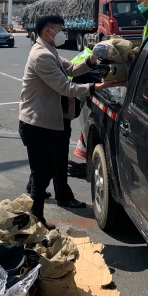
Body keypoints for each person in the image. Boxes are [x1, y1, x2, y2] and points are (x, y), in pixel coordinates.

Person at [18, 14, 107, 229]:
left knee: (47, 170)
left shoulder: (50, 50)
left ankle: (36, 217)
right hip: (36, 124)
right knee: (41, 174)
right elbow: (65, 87)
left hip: (45, 122)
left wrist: (92, 59)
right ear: (47, 31)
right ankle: (36, 219)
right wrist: (96, 87)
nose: (62, 34)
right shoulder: (42, 55)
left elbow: (71, 69)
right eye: (59, 30)